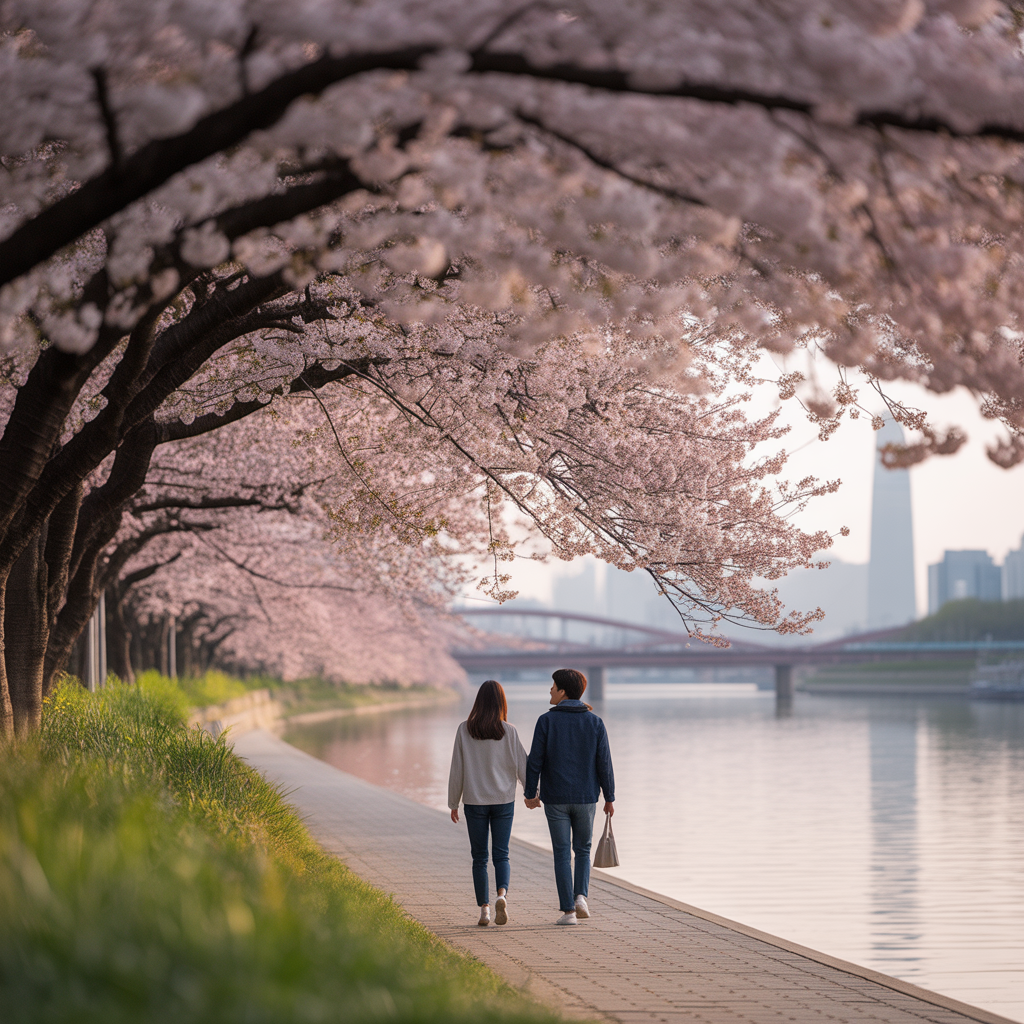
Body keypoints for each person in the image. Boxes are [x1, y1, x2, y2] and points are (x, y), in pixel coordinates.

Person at [524, 668, 615, 926]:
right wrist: (609, 797)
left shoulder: (546, 721)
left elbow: (535, 761)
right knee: (583, 850)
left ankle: (568, 912)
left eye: (553, 686)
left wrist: (530, 793)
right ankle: (581, 898)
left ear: (563, 691)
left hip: (556, 798)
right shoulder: (595, 722)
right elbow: (604, 764)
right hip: (586, 797)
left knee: (562, 853)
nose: (550, 690)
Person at [448, 679, 528, 926]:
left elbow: (457, 768)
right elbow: (523, 766)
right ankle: (501, 896)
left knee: (479, 857)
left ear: (478, 701)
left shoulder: (464, 730)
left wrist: (453, 802)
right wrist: (531, 793)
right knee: (502, 854)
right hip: (503, 800)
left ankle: (484, 910)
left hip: (474, 801)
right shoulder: (509, 731)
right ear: (501, 702)